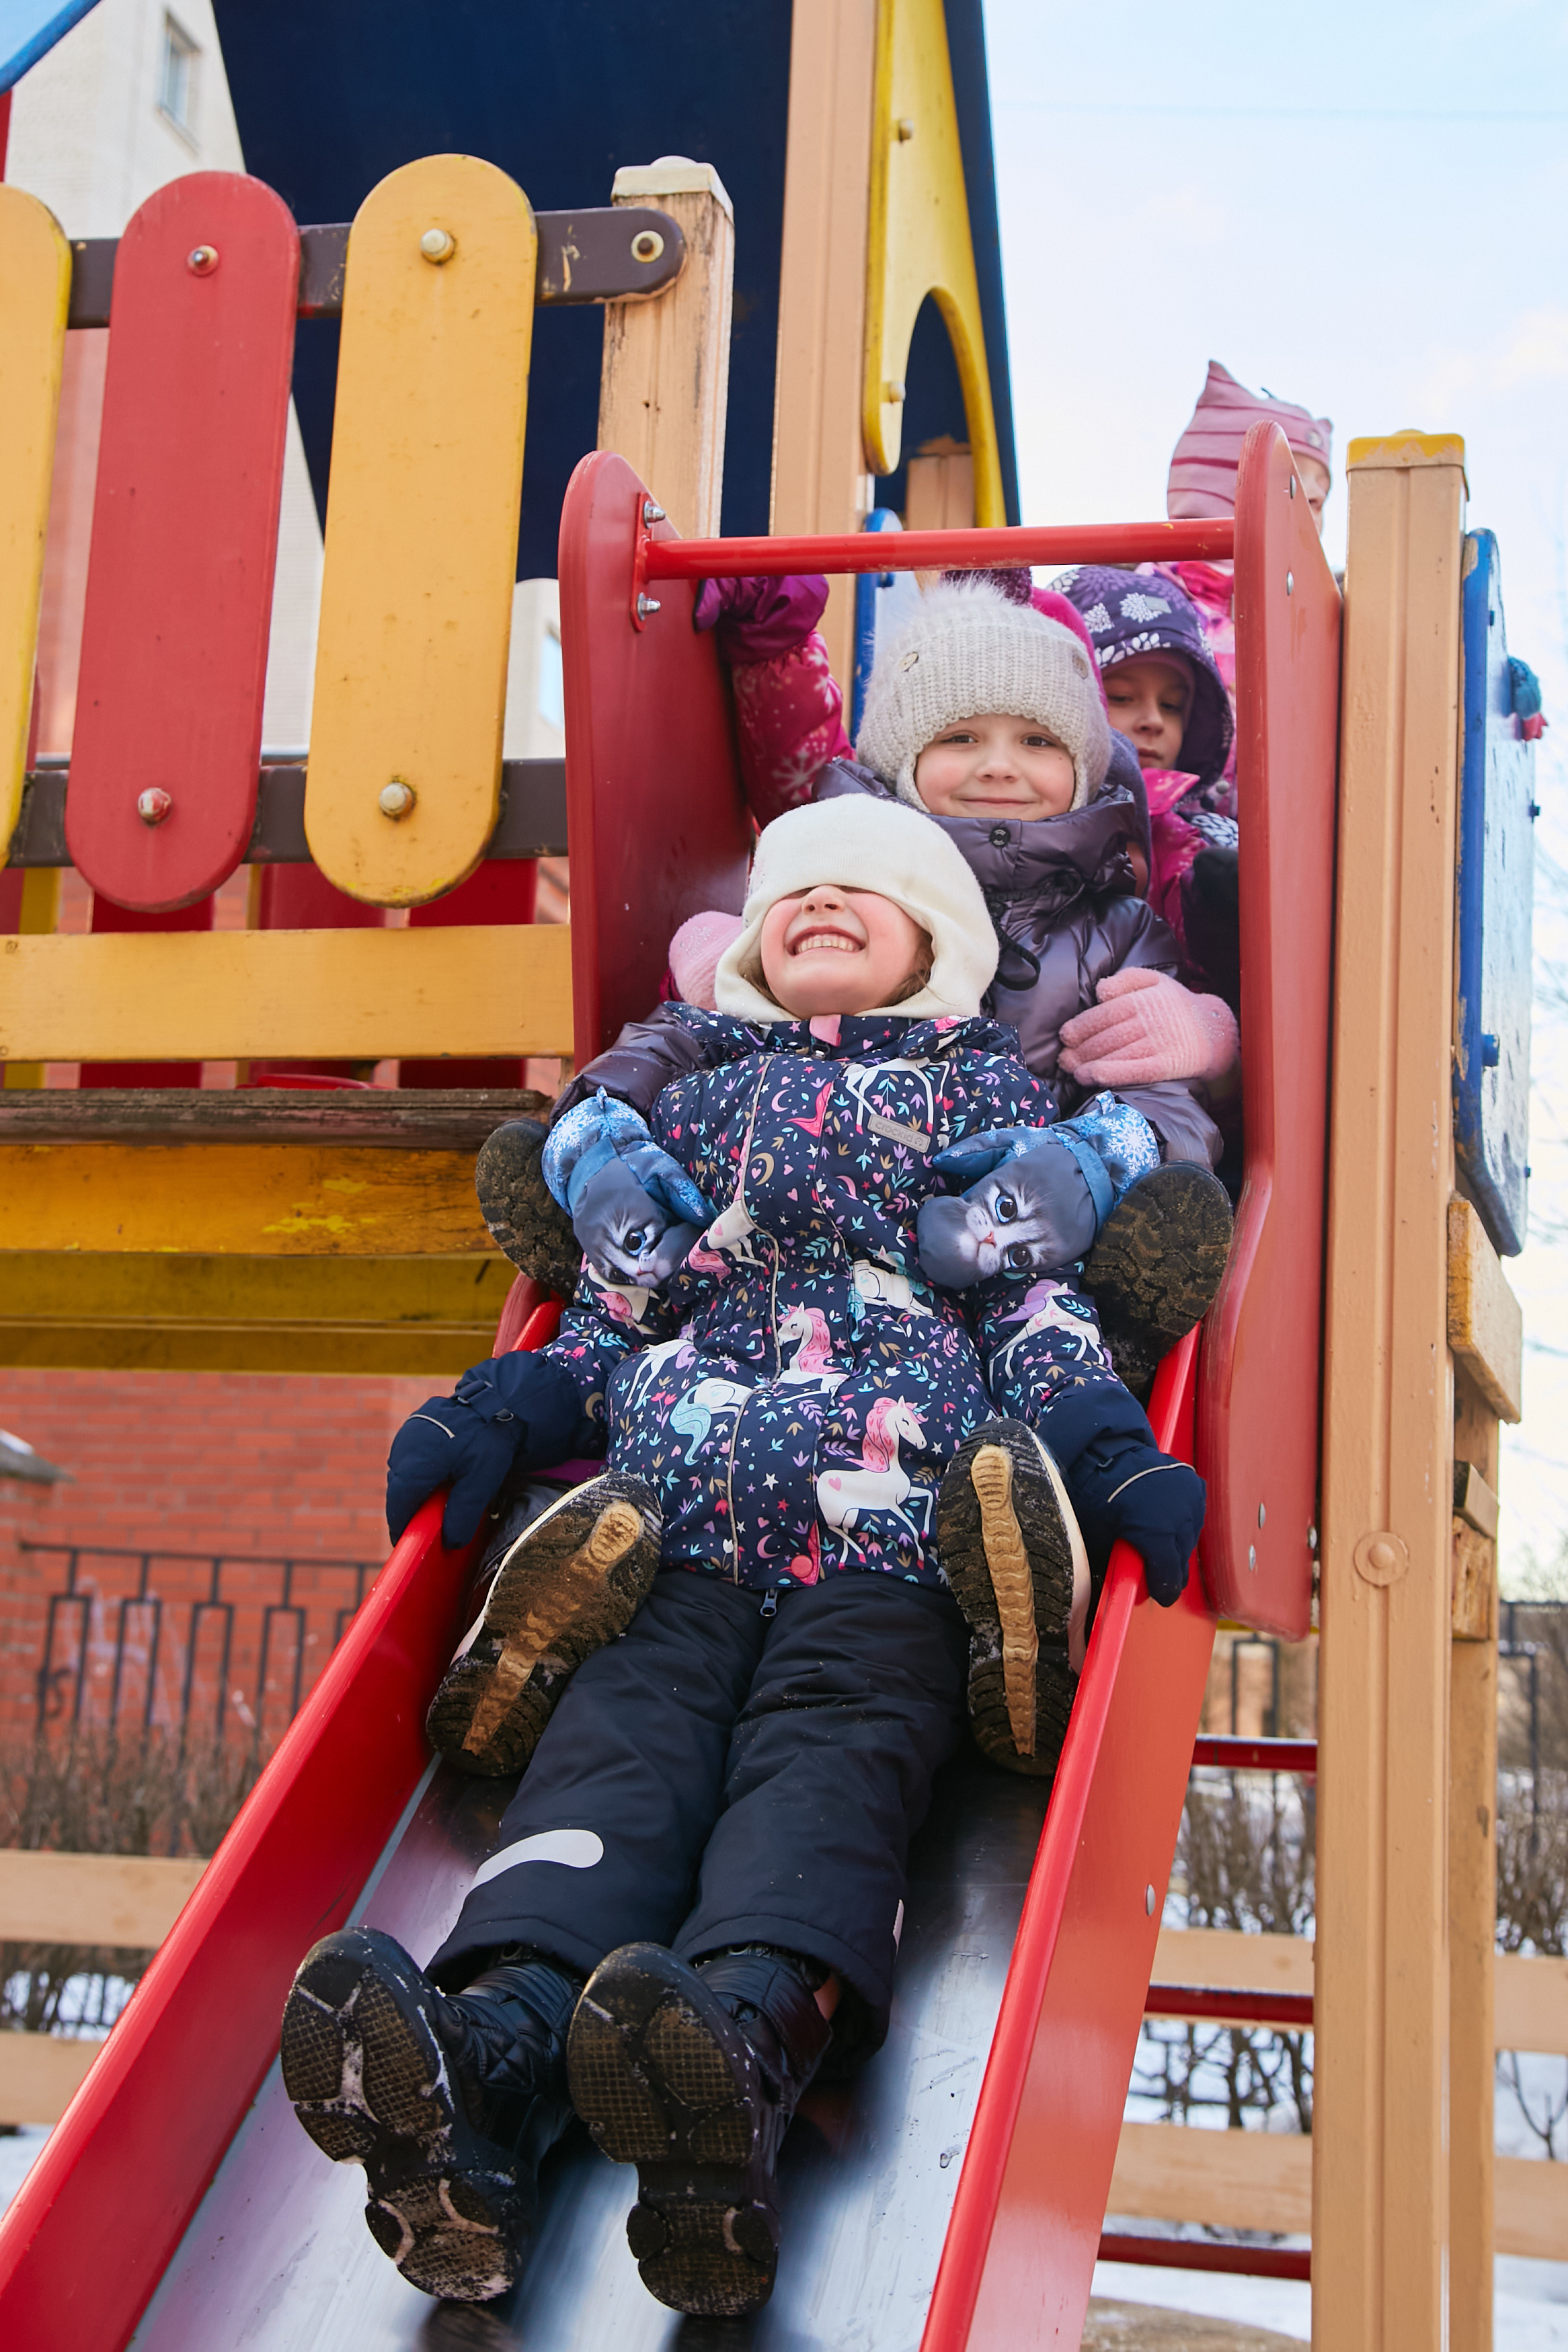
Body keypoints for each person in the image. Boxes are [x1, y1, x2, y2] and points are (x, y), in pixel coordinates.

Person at [279, 799, 1206, 2324]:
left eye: (865, 892)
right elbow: (620, 1312)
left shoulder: (984, 1115)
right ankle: (489, 2055)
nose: (822, 904)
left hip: (889, 1558)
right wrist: (501, 1404)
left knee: (827, 1769)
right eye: (796, 893)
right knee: (611, 1758)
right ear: (755, 947)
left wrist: (1111, 1453)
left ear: (938, 948)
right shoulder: (697, 1113)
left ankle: (741, 2044)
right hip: (675, 1540)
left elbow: (1034, 1313)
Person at [484, 576, 1237, 1397]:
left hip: (1013, 1231)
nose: (998, 766)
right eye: (959, 736)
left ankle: (1110, 1342)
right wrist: (636, 1080)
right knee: (669, 1146)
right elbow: (683, 1038)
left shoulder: (1116, 928)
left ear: (1085, 767)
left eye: (1037, 741)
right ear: (900, 756)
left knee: (1140, 1209)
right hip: (822, 1207)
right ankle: (595, 1217)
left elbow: (1160, 1099)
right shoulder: (836, 876)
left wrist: (1126, 1125)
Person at [1050, 563, 1240, 1013]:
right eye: (1120, 697)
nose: (1154, 720)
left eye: (1172, 705)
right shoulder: (1009, 816)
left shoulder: (1198, 842)